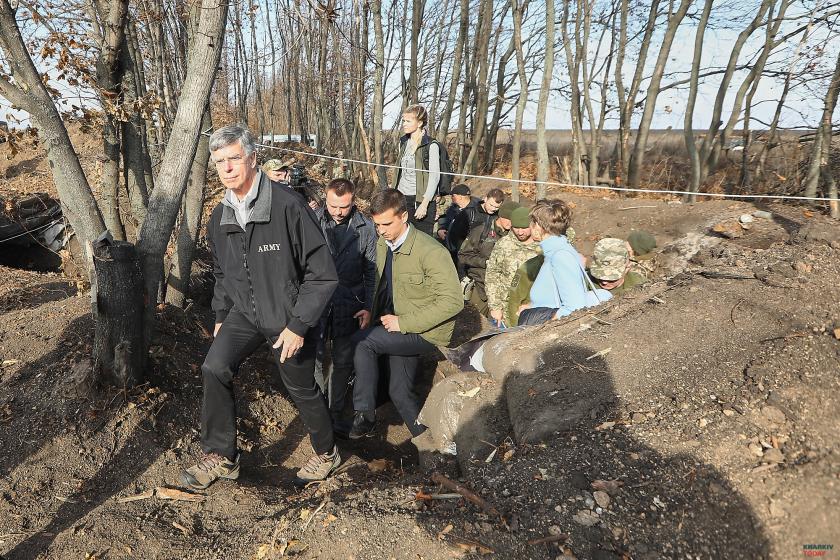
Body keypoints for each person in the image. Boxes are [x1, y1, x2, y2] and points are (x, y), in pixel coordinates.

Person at [181, 124, 340, 490]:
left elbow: (322, 274)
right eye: (219, 161)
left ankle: (327, 452)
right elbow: (223, 272)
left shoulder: (287, 206)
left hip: (289, 314)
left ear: (252, 159)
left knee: (300, 387)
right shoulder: (220, 217)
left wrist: (299, 325)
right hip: (245, 313)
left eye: (234, 158)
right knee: (214, 366)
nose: (226, 168)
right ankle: (222, 456)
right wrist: (221, 315)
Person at [349, 189, 463, 443]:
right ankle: (429, 445)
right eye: (377, 225)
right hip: (398, 327)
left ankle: (365, 414)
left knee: (363, 342)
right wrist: (370, 309)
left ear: (404, 216)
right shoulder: (383, 244)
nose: (381, 231)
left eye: (387, 224)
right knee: (400, 392)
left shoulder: (431, 252)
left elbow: (453, 302)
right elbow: (383, 285)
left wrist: (403, 322)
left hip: (425, 332)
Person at [313, 178, 377, 436]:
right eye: (333, 206)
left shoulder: (366, 228)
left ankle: (335, 411)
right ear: (325, 199)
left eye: (344, 207)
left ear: (353, 201)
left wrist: (369, 306)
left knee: (342, 361)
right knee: (315, 358)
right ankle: (318, 413)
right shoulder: (312, 221)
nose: (338, 212)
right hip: (316, 300)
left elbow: (371, 272)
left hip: (350, 301)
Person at [518, 200, 611, 326]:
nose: (530, 227)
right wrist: (532, 306)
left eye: (531, 223)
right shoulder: (555, 252)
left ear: (538, 227)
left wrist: (539, 321)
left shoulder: (560, 256)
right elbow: (553, 294)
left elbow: (575, 308)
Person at [485, 206, 542, 327]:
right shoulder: (503, 244)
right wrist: (495, 307)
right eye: (516, 228)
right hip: (505, 310)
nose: (520, 232)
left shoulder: (542, 246)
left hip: (533, 308)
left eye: (524, 228)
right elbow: (492, 275)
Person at [458, 201, 518, 317]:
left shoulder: (515, 235)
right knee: (474, 322)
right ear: (501, 215)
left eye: (513, 220)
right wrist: (485, 262)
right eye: (508, 219)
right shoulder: (482, 230)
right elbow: (463, 256)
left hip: (503, 292)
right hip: (480, 287)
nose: (511, 223)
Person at [394, 104, 441, 236]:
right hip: (402, 198)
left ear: (419, 123)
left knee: (422, 239)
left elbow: (435, 177)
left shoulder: (431, 145)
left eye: (408, 121)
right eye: (403, 120)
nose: (404, 124)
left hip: (421, 200)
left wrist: (424, 205)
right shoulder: (403, 142)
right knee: (402, 237)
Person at [447, 188, 504, 260]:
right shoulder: (468, 213)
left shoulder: (498, 217)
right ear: (485, 199)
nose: (493, 209)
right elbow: (455, 235)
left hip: (486, 257)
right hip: (466, 255)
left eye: (496, 207)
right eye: (491, 205)